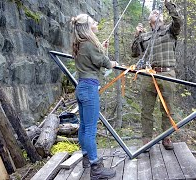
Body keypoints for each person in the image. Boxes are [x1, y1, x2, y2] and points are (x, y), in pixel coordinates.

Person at [71, 14, 118, 179]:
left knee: (84, 126)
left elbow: (92, 60)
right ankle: (96, 168)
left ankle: (87, 158)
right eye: (93, 22)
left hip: (82, 87)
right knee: (90, 129)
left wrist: (101, 49)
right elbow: (104, 63)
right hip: (89, 89)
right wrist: (111, 63)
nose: (96, 23)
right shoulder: (89, 44)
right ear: (87, 27)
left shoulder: (80, 44)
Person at [131, 0, 182, 150]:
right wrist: (137, 35)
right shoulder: (145, 36)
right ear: (149, 21)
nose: (154, 12)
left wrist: (169, 5)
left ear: (161, 17)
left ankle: (166, 137)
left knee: (167, 109)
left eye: (156, 13)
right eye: (151, 13)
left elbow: (178, 21)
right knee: (146, 110)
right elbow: (134, 53)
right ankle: (146, 140)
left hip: (167, 73)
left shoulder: (170, 30)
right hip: (148, 75)